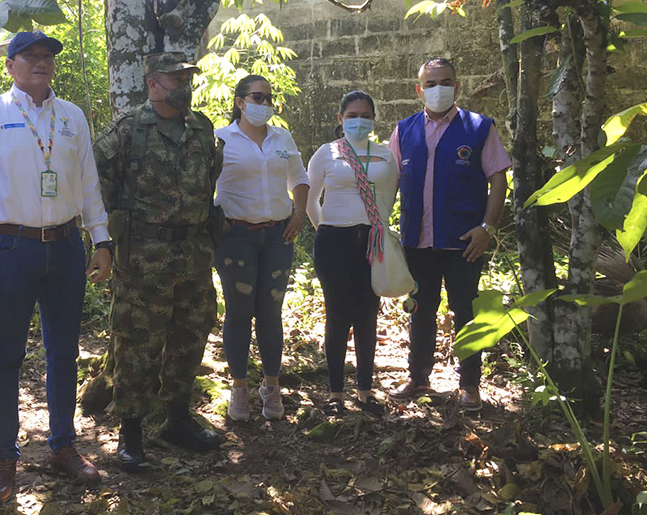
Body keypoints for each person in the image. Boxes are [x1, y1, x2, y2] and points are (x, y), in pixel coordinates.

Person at [0, 31, 113, 503]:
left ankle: (63, 445)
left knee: (64, 352)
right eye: (30, 57)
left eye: (47, 57)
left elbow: (88, 182)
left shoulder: (71, 117)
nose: (40, 63)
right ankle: (4, 457)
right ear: (10, 66)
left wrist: (100, 240)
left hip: (64, 247)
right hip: (9, 248)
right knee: (6, 356)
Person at [93, 52, 224, 472]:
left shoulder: (202, 129)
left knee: (190, 337)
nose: (183, 85)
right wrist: (105, 243)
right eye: (174, 78)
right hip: (144, 260)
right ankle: (130, 435)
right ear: (152, 83)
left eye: (187, 77)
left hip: (193, 255)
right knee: (136, 345)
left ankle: (177, 420)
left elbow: (210, 181)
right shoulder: (128, 130)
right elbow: (95, 187)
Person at [386, 58, 511, 412]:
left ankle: (470, 384)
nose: (437, 88)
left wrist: (487, 228)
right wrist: (381, 227)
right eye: (430, 83)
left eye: (445, 82)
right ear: (419, 89)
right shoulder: (404, 130)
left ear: (457, 86)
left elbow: (498, 180)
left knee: (466, 312)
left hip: (464, 243)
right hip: (416, 241)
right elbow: (390, 183)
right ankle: (418, 377)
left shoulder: (478, 128)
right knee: (419, 310)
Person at [215, 75, 309, 422]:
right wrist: (215, 218)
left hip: (277, 237)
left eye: (270, 99)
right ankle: (239, 387)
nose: (265, 104)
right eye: (258, 97)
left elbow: (299, 178)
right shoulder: (221, 139)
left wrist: (299, 213)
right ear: (240, 102)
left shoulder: (281, 137)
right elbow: (202, 183)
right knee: (239, 312)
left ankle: (271, 386)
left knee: (270, 312)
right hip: (235, 238)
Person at [306, 91, 396, 417]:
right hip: (333, 243)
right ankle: (334, 392)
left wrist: (376, 232)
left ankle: (365, 390)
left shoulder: (386, 155)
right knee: (338, 315)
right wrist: (327, 229)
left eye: (366, 115)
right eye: (352, 115)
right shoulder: (326, 154)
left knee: (368, 315)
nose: (359, 121)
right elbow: (310, 199)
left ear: (374, 119)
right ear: (340, 119)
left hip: (371, 242)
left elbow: (388, 199)